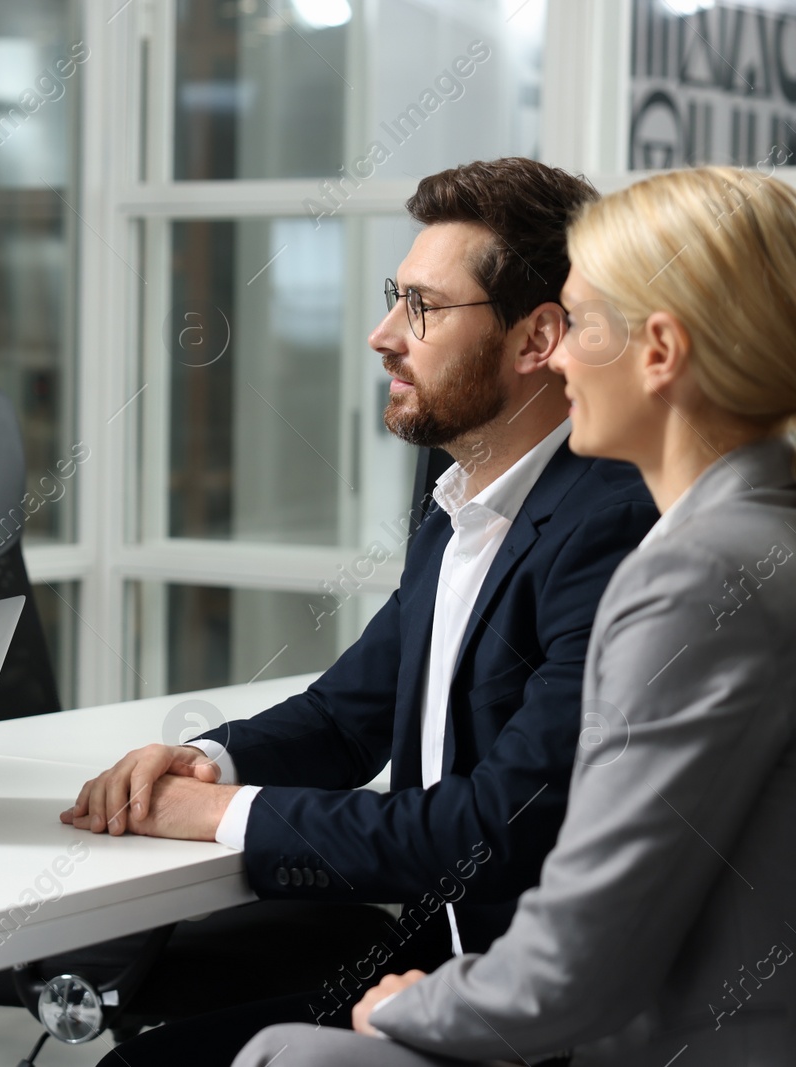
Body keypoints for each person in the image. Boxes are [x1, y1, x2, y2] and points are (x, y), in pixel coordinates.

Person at [64, 159, 659, 1065]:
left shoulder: (608, 526)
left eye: (423, 307)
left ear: (537, 337)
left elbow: (496, 828)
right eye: (395, 298)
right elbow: (354, 711)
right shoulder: (462, 492)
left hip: (528, 1010)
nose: (383, 335)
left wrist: (218, 813)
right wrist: (206, 758)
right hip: (430, 961)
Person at [232, 164, 796, 1067]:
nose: (560, 355)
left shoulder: (697, 572)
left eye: (579, 324)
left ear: (658, 352)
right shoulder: (757, 532)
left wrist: (414, 1010)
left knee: (283, 1056)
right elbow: (361, 702)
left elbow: (572, 970)